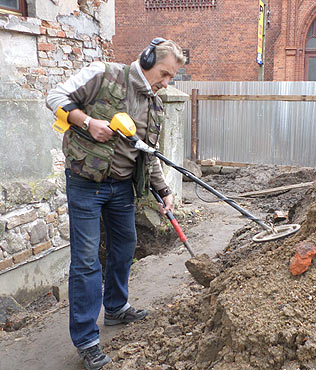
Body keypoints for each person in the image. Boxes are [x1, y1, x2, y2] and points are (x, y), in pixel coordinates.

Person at [46, 38, 186, 370]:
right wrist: (87, 122)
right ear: (148, 58)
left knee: (125, 246)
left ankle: (116, 307)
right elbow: (54, 97)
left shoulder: (154, 103)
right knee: (86, 260)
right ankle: (86, 340)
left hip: (121, 187)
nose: (166, 83)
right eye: (164, 74)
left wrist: (163, 189)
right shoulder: (104, 74)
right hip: (86, 183)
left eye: (171, 79)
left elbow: (147, 154)